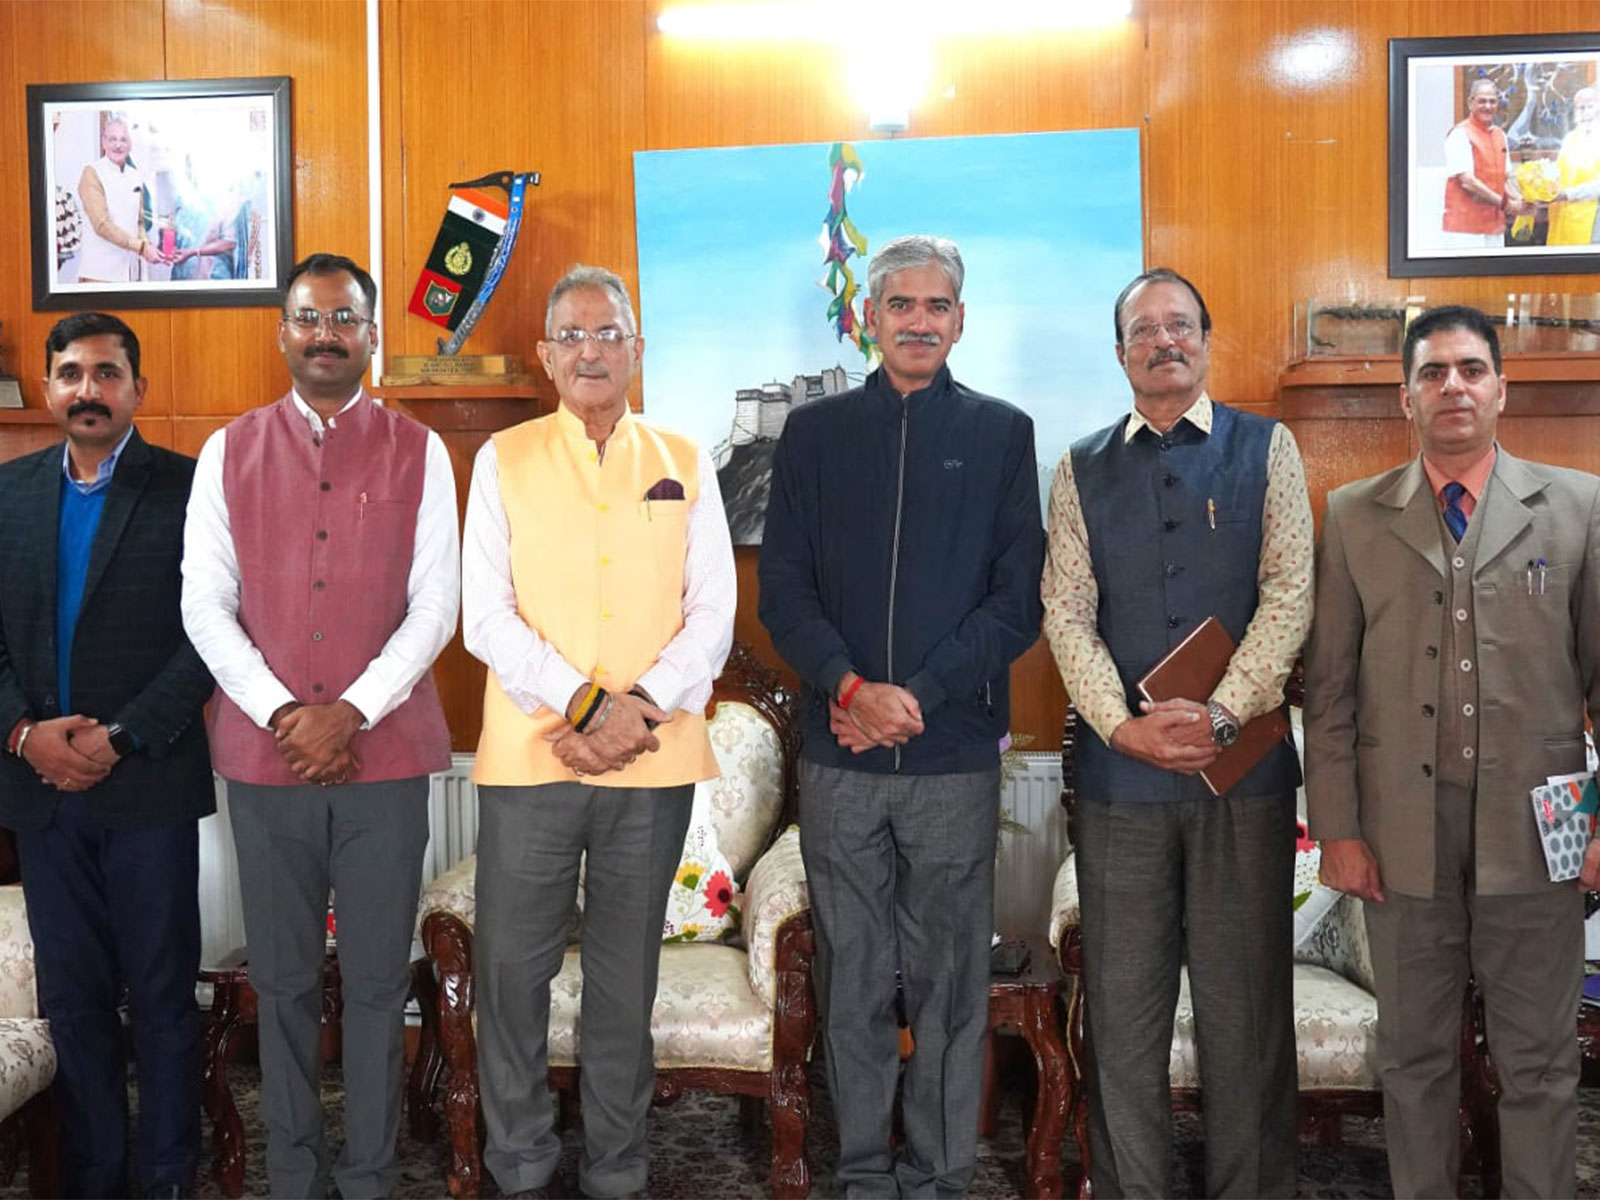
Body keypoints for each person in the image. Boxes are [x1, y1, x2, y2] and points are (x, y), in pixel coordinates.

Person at [759, 234, 1044, 1196]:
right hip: (838, 754)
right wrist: (848, 690)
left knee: (950, 981)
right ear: (870, 316)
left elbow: (1017, 603)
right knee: (851, 977)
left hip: (950, 751)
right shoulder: (815, 435)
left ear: (961, 321)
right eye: (901, 305)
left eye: (937, 306)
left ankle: (941, 1173)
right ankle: (865, 1169)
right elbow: (784, 593)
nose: (919, 321)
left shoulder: (1004, 434)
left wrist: (911, 699)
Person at [1303, 304, 1600, 1199]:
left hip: (1542, 832)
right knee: (1414, 1058)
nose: (1454, 387)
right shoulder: (1354, 516)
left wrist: (1596, 827)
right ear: (1406, 397)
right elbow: (1330, 695)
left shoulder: (1578, 508)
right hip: (1400, 838)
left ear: (1501, 388)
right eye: (1433, 374)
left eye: (1471, 369)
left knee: (1541, 1062)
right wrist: (1341, 833)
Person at [181, 252, 459, 1198]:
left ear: (372, 334)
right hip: (265, 763)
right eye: (308, 318)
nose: (326, 333)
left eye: (345, 319)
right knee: (287, 983)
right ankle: (295, 1174)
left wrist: (349, 714)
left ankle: (372, 1172)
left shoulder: (422, 450)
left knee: (380, 981)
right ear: (284, 332)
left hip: (385, 762)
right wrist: (286, 715)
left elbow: (435, 608)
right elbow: (205, 604)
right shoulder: (229, 451)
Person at [461, 263, 735, 1199]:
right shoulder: (503, 459)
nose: (590, 350)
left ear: (635, 350)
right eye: (572, 335)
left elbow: (714, 617)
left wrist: (633, 715)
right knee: (512, 974)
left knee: (626, 984)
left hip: (651, 763)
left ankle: (619, 1170)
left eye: (607, 333)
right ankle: (521, 1162)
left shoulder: (686, 459)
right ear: (545, 354)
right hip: (531, 758)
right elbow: (483, 617)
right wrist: (585, 709)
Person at [1041, 267, 1313, 1197]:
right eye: (1144, 329)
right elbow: (1067, 611)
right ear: (1120, 353)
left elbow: (1289, 592)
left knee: (1247, 1021)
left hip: (1244, 779)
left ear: (1206, 337)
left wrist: (1226, 709)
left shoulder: (1267, 449)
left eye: (1181, 324)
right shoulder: (1078, 469)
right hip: (1122, 790)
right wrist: (1121, 728)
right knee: (1122, 1023)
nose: (1165, 340)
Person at [0, 313, 215, 1198]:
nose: (89, 389)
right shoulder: (6, 493)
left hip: (148, 786)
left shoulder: (195, 489)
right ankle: (95, 1175)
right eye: (72, 373)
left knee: (163, 1001)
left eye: (108, 372)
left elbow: (213, 636)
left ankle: (167, 1175)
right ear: (50, 388)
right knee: (75, 1002)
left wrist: (119, 736)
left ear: (138, 389)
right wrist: (23, 733)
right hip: (39, 790)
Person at [76, 117, 164, 282]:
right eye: (112, 139)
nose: (118, 145)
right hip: (97, 275)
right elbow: (101, 224)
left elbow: (139, 222)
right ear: (103, 142)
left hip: (128, 274)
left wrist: (146, 245)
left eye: (123, 139)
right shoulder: (91, 173)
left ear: (130, 144)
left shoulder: (135, 175)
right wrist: (142, 247)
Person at [1439, 78, 1524, 249]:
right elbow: (1468, 182)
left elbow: (1505, 179)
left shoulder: (1500, 135)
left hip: (1494, 227)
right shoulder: (1459, 134)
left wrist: (1522, 202)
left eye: (1492, 101)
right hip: (1465, 229)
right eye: (1482, 101)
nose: (1488, 106)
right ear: (1471, 103)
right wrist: (1507, 205)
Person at [1548, 86, 1600, 245]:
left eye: (1589, 106)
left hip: (1594, 221)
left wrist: (1568, 194)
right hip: (1564, 216)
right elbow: (1558, 171)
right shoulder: (1570, 138)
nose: (1585, 112)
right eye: (1580, 108)